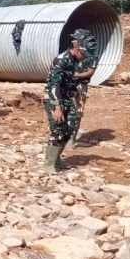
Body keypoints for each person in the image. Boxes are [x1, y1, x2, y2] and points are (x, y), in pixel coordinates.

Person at [44, 32, 89, 171]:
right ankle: (49, 165)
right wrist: (57, 107)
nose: (85, 57)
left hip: (67, 98)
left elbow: (71, 82)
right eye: (84, 54)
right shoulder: (61, 60)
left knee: (69, 128)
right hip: (54, 99)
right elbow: (54, 85)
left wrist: (77, 99)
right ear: (77, 49)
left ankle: (57, 159)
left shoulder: (74, 61)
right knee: (58, 130)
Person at [69, 28, 98, 149]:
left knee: (77, 112)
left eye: (76, 39)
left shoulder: (91, 55)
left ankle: (72, 139)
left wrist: (75, 75)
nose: (73, 41)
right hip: (69, 85)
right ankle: (63, 138)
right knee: (66, 110)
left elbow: (90, 72)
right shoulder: (72, 52)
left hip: (80, 85)